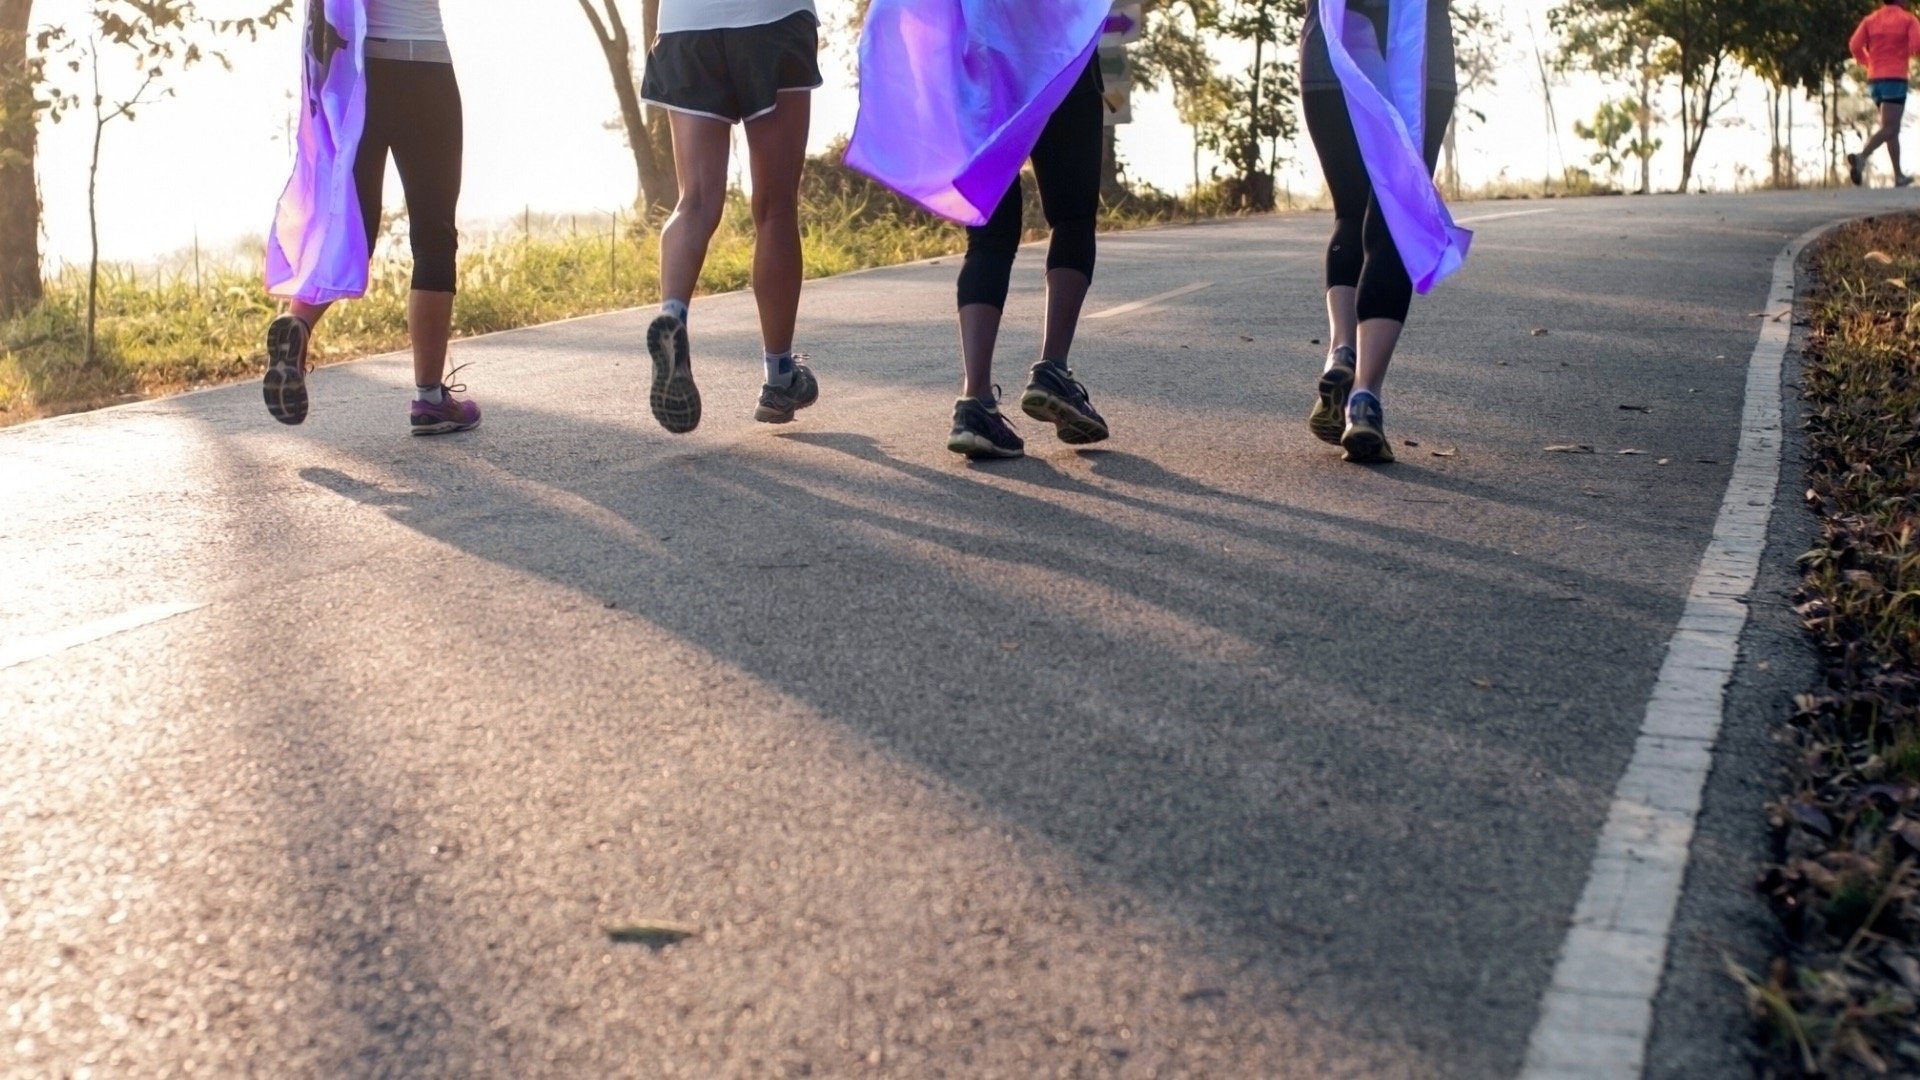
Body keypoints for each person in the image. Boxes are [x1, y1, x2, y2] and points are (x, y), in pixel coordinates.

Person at [263, 0, 480, 435]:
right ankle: (430, 398)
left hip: (352, 69)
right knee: (434, 237)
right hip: (423, 65)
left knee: (353, 225)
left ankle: (299, 325)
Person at [639, 0, 822, 434]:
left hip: (687, 24)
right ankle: (779, 376)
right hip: (772, 19)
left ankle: (674, 319)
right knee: (775, 209)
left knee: (695, 202)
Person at [1300, 0, 1457, 464]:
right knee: (1392, 220)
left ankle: (1340, 350)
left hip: (1331, 52)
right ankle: (1365, 397)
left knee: (1349, 211)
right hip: (1418, 61)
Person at [946, 58, 1109, 460]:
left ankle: (976, 403)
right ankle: (1052, 370)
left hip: (978, 66)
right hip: (1061, 55)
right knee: (1072, 218)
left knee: (987, 239)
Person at [1849, 0, 1920, 187]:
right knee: (1890, 128)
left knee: (1891, 128)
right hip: (1895, 78)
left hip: (1874, 80)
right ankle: (1861, 157)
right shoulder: (1908, 20)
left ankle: (1898, 176)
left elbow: (1855, 45)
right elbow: (1916, 45)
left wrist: (1868, 61)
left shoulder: (1870, 20)